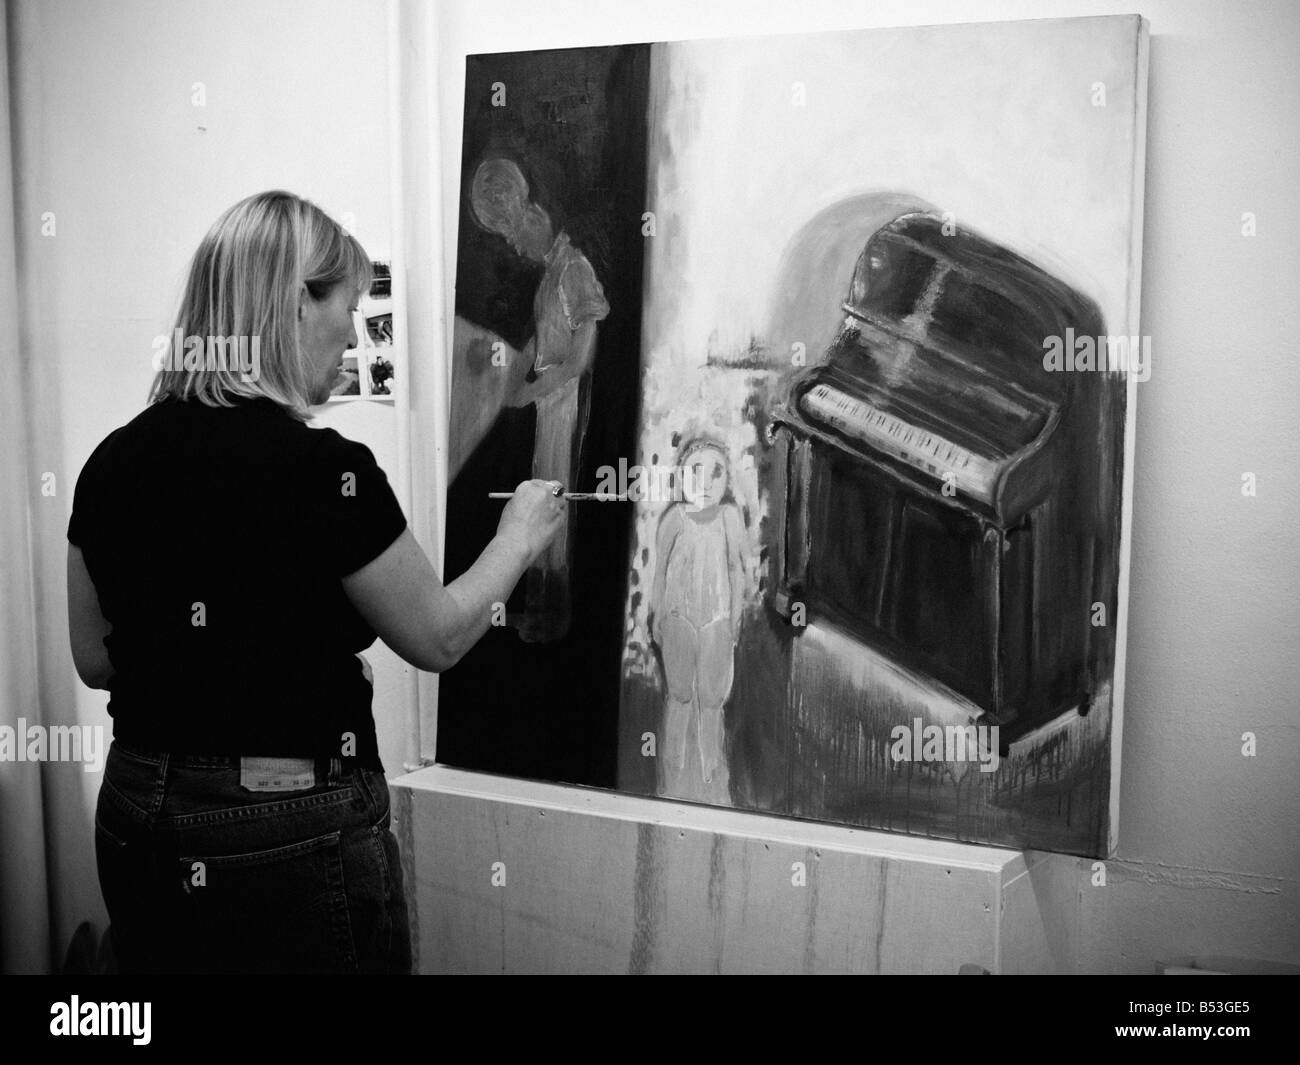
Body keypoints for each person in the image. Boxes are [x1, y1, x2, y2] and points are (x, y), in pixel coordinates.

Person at [66, 190, 565, 974]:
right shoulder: (325, 472)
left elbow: (96, 659)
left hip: (137, 807)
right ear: (297, 300)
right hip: (283, 826)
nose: (353, 331)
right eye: (348, 304)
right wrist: (519, 538)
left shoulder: (112, 461)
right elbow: (435, 635)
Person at [468, 156, 610, 643]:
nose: (513, 244)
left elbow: (578, 360)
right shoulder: (551, 275)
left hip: (567, 402)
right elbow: (539, 341)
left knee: (556, 504)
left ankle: (554, 614)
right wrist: (511, 378)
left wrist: (531, 391)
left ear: (537, 214)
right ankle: (541, 607)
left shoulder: (575, 269)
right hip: (550, 402)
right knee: (542, 500)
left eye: (514, 232)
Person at [648, 433, 747, 805]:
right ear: (681, 476)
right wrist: (657, 612)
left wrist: (735, 614)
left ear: (726, 480)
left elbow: (738, 570)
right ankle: (672, 769)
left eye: (715, 473)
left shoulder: (730, 518)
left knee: (711, 698)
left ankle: (711, 770)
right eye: (696, 472)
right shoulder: (674, 518)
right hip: (677, 617)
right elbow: (659, 571)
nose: (705, 483)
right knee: (679, 694)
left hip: (717, 620)